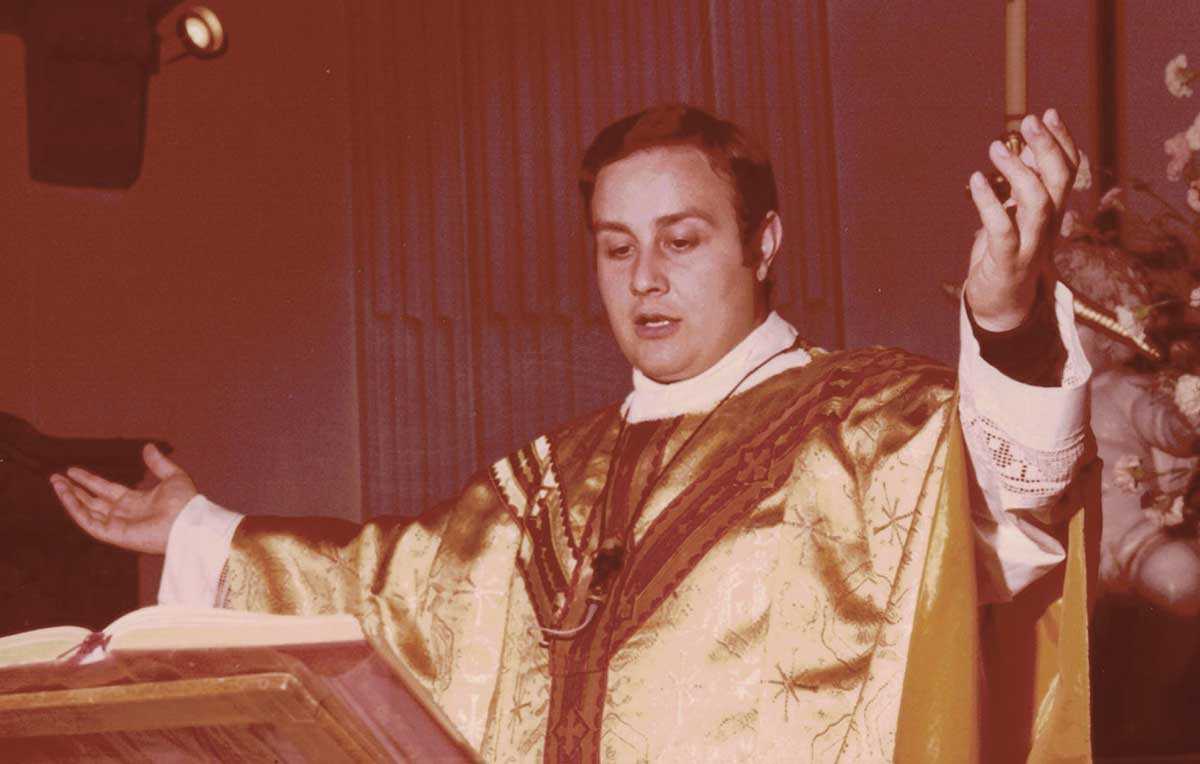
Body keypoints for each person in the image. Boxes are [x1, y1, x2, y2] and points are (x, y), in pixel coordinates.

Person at [51, 104, 1091, 764]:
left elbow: (1007, 514)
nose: (646, 279)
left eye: (682, 240)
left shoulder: (871, 419)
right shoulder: (550, 480)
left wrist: (1005, 321)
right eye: (615, 248)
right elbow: (388, 589)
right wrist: (202, 529)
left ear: (764, 241)